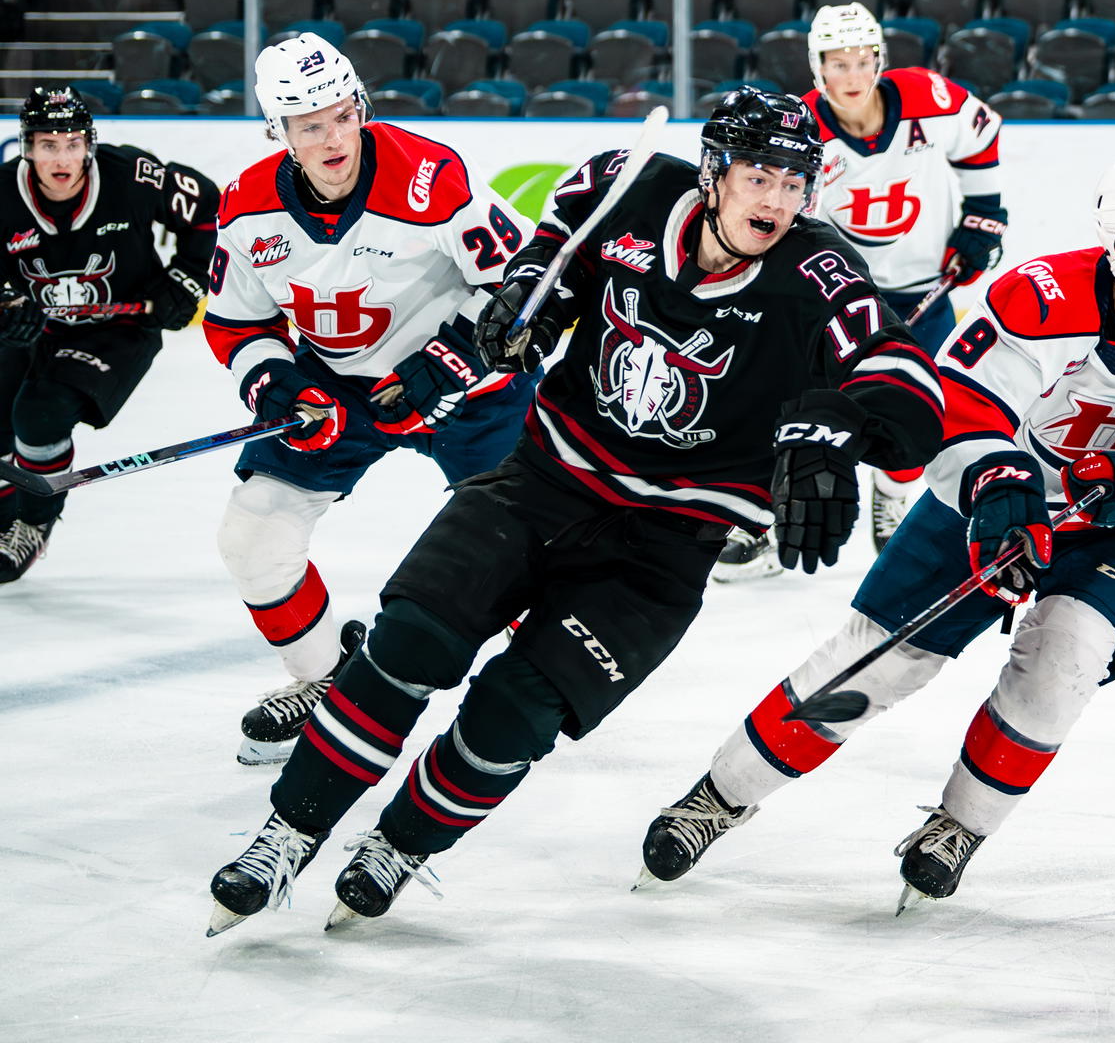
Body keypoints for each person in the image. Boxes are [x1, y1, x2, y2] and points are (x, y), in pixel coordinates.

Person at [203, 87, 945, 935]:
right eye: (758, 176)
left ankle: (400, 846)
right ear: (713, 172)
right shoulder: (627, 188)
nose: (776, 200)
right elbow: (551, 251)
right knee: (404, 648)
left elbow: (909, 389)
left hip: (663, 546)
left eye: (793, 182)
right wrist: (531, 302)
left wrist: (833, 425)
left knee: (515, 714)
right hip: (540, 480)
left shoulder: (819, 272)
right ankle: (285, 833)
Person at [639, 149, 1115, 912]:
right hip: (993, 499)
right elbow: (955, 405)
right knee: (878, 663)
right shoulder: (1035, 299)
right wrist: (997, 484)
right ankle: (720, 797)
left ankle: (960, 826)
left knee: (1065, 658)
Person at [204, 33, 537, 766]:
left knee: (531, 558)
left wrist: (447, 362)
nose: (333, 136)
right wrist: (277, 384)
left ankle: (527, 697)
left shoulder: (432, 176)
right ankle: (326, 677)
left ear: (360, 104)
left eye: (341, 112)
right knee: (253, 539)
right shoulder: (247, 206)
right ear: (278, 132)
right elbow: (236, 322)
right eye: (309, 124)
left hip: (471, 394)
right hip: (336, 395)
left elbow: (523, 291)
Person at [714, 1, 1004, 580]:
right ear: (817, 67)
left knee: (919, 412)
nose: (850, 76)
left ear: (880, 60)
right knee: (793, 406)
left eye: (861, 60)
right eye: (836, 63)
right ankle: (769, 512)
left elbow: (982, 133)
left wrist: (983, 213)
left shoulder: (927, 96)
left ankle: (894, 494)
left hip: (925, 289)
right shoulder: (801, 129)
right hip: (839, 299)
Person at [0, 86, 217, 583]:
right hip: (37, 325)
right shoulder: (3, 193)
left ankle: (35, 523)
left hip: (120, 328)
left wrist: (185, 278)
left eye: (72, 143)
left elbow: (208, 207)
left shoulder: (131, 178)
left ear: (90, 144)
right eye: (48, 144)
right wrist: (7, 302)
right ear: (28, 146)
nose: (62, 157)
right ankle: (9, 515)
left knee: (39, 415)